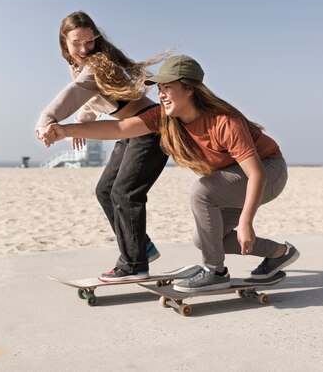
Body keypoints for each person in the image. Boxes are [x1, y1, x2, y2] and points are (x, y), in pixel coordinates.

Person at [42, 54, 300, 293]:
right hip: (233, 178)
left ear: (190, 89)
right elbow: (120, 129)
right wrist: (65, 130)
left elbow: (256, 174)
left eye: (168, 87)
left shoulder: (224, 122)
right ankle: (279, 253)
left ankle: (215, 271)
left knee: (203, 191)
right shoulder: (165, 118)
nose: (162, 94)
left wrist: (246, 222)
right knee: (208, 238)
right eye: (160, 89)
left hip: (269, 171)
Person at [35, 11, 169, 282]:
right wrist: (81, 121)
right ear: (64, 43)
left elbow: (75, 93)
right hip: (132, 130)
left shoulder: (99, 63)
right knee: (105, 190)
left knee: (125, 193)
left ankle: (134, 263)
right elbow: (90, 97)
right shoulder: (80, 67)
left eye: (89, 42)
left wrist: (47, 119)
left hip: (150, 128)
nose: (84, 49)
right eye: (76, 43)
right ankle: (140, 247)